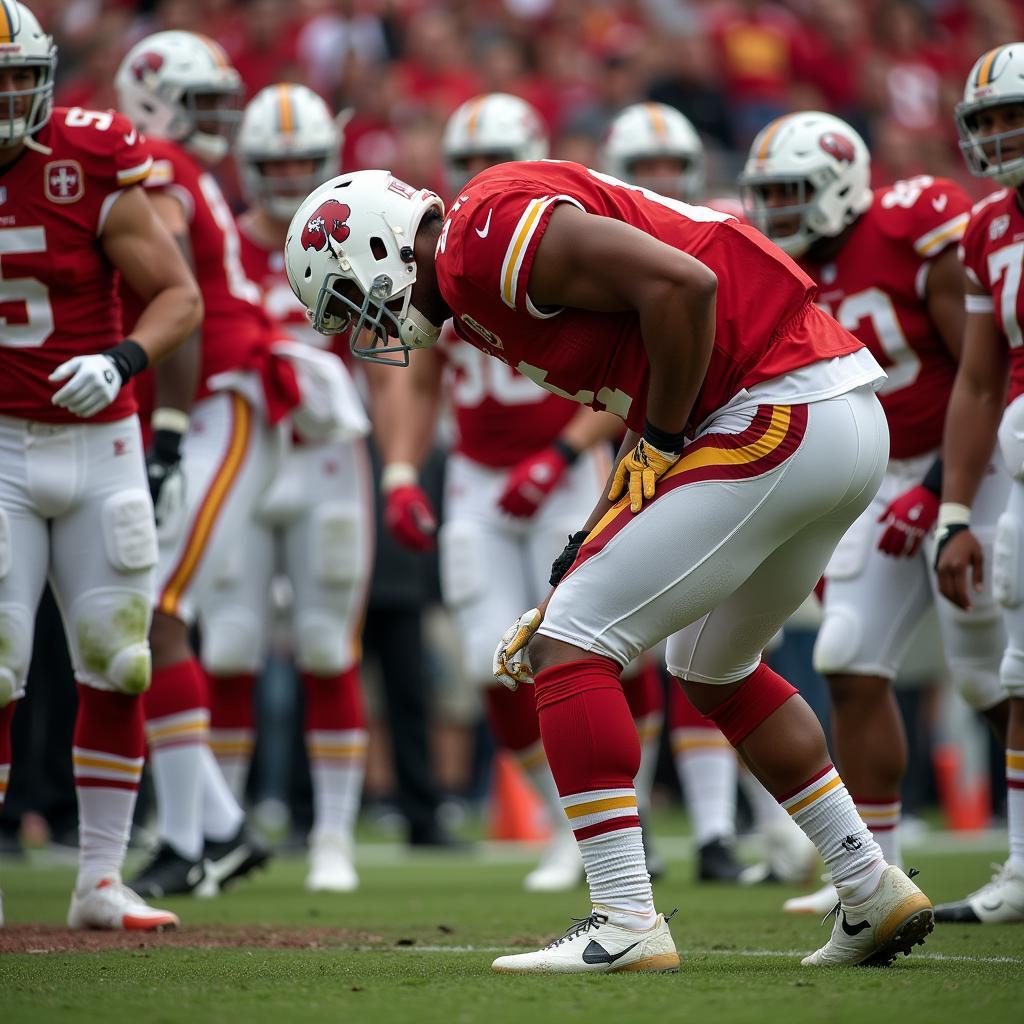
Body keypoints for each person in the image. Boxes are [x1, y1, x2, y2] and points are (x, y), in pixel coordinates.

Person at [284, 158, 933, 972]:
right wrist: (586, 544)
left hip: (777, 401)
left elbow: (685, 289)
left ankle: (624, 914)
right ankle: (868, 882)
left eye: (352, 300)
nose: (366, 324)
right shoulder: (474, 282)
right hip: (819, 411)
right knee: (712, 665)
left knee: (574, 643)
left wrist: (659, 448)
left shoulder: (478, 241)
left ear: (376, 247)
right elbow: (651, 388)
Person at [739, 110, 1010, 915]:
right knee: (849, 660)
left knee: (989, 674)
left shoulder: (908, 229)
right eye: (767, 196)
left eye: (792, 193)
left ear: (843, 185)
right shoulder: (775, 265)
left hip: (976, 461)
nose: (777, 212)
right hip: (873, 478)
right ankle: (876, 869)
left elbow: (983, 369)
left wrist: (939, 486)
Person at [370, 92, 622, 890]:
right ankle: (559, 824)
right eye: (467, 165)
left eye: (494, 160)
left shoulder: (551, 244)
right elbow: (418, 378)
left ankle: (613, 812)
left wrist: (561, 451)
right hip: (480, 474)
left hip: (559, 468)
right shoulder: (437, 263)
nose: (480, 179)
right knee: (492, 661)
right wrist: (403, 471)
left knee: (580, 647)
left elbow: (621, 367)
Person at [0, 1, 201, 929]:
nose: (8, 98)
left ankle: (99, 881)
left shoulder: (88, 160)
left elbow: (178, 297)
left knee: (120, 660)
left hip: (102, 439)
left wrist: (122, 358)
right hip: (0, 446)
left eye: (18, 78)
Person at [603, 100, 816, 887]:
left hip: (751, 432)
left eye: (668, 168)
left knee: (735, 649)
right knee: (697, 650)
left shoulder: (713, 226)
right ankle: (727, 832)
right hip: (689, 446)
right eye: (645, 171)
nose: (659, 181)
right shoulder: (613, 249)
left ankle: (769, 829)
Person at [114, 30, 296, 897]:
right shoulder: (162, 161)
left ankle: (191, 838)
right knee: (158, 616)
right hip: (213, 395)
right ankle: (217, 828)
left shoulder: (156, 164)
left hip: (219, 395)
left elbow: (171, 289)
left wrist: (172, 425)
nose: (218, 118)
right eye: (204, 100)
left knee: (158, 608)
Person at [202, 82, 373, 892]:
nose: (292, 172)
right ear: (247, 163)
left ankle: (333, 837)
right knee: (228, 646)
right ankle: (220, 828)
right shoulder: (222, 241)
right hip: (242, 452)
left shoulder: (351, 234)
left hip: (324, 458)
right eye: (277, 161)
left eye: (306, 159)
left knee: (325, 646)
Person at [933, 42, 1024, 924]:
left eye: (1012, 115)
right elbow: (977, 378)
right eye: (986, 121)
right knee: (1019, 671)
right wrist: (955, 509)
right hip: (1019, 461)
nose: (999, 135)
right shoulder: (988, 227)